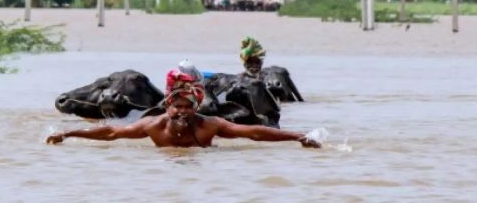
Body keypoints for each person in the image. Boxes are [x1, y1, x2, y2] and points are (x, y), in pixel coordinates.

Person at [46, 69, 320, 148]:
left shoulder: (209, 125)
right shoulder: (152, 126)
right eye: (176, 107)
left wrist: (299, 137)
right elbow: (111, 133)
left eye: (186, 107)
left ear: (195, 107)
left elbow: (254, 132)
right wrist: (69, 135)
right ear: (167, 106)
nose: (181, 112)